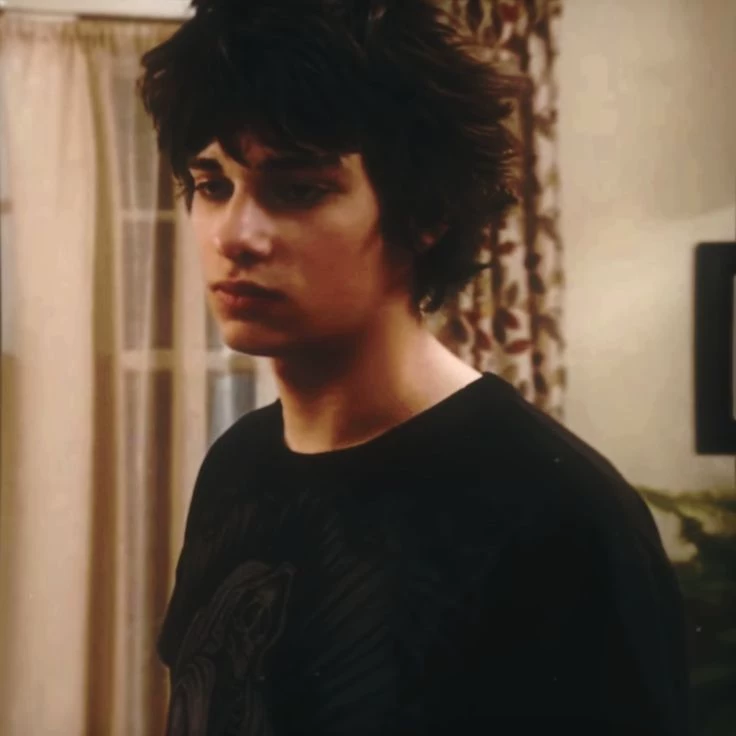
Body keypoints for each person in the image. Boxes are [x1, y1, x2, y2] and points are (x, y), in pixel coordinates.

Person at [138, 1, 692, 733]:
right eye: (213, 186)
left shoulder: (560, 514)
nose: (235, 236)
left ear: (425, 213)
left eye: (298, 188)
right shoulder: (236, 465)